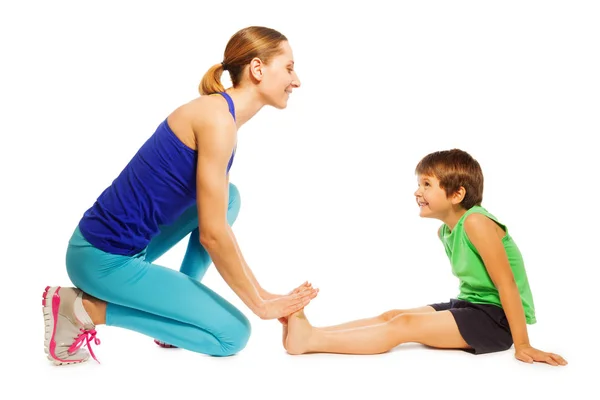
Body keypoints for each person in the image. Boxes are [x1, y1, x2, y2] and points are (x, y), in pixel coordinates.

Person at [42, 26, 319, 366]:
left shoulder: (220, 115)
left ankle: (175, 314)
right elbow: (214, 235)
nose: (297, 80)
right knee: (233, 334)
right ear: (258, 69)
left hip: (111, 248)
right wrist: (260, 306)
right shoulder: (218, 123)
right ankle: (83, 309)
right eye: (289, 68)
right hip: (101, 261)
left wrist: (265, 293)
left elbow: (217, 221)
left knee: (228, 197)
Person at [281, 149, 567, 367]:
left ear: (457, 194)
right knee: (392, 315)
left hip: (496, 321)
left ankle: (310, 341)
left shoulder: (476, 222)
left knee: (404, 325)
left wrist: (523, 345)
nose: (417, 192)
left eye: (427, 184)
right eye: (419, 184)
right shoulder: (446, 231)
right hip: (472, 307)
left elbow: (507, 285)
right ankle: (312, 333)